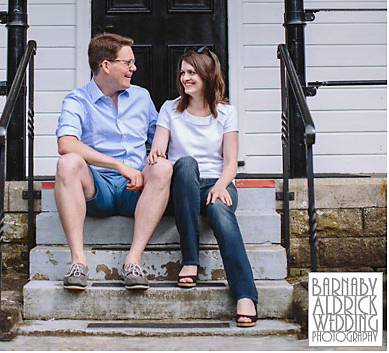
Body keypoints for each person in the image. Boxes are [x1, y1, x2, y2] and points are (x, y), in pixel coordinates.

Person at [148, 47, 258, 327]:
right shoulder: (170, 109)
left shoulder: (226, 113)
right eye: (182, 72)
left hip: (216, 182)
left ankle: (245, 294)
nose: (184, 77)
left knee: (221, 213)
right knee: (184, 164)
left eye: (191, 72)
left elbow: (231, 162)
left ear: (207, 75)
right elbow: (160, 145)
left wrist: (221, 185)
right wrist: (157, 152)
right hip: (182, 186)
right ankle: (190, 260)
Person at [55, 32, 172, 290]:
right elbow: (66, 143)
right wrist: (118, 165)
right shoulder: (77, 99)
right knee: (68, 163)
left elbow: (161, 138)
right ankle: (78, 261)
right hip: (98, 189)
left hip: (137, 189)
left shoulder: (141, 97)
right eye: (128, 63)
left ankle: (133, 261)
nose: (134, 68)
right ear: (106, 66)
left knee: (163, 167)